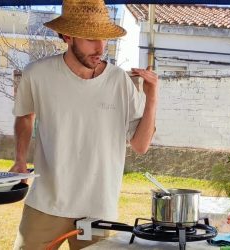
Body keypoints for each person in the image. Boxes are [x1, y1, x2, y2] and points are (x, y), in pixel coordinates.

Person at [10, 0, 157, 249]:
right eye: (91, 38)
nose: (100, 48)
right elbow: (25, 115)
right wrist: (20, 159)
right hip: (47, 201)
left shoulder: (120, 82)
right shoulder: (37, 74)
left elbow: (140, 145)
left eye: (105, 39)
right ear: (67, 36)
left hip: (97, 208)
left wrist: (152, 97)